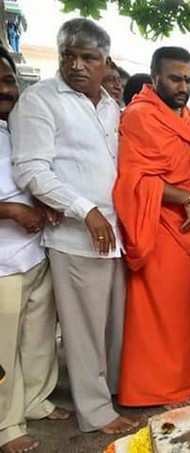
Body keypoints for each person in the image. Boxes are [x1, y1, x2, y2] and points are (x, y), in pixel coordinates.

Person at [11, 18, 137, 435]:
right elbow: (31, 169)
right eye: (69, 55)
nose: (77, 65)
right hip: (76, 236)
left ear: (105, 62)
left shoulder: (109, 106)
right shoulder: (40, 100)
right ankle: (96, 412)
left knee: (111, 326)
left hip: (115, 235)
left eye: (89, 57)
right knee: (82, 332)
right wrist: (86, 210)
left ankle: (114, 392)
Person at [114, 46, 190, 408]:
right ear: (154, 77)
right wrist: (184, 196)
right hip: (159, 223)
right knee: (159, 311)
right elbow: (134, 177)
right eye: (175, 78)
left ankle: (189, 376)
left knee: (186, 308)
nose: (182, 85)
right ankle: (157, 387)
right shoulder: (140, 115)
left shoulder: (184, 113)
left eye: (188, 78)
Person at [0, 45, 70, 453]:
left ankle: (36, 401)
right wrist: (8, 210)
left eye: (8, 80)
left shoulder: (15, 128)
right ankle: (7, 426)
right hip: (2, 263)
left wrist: (39, 203)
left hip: (34, 252)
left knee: (38, 338)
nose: (5, 89)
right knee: (3, 348)